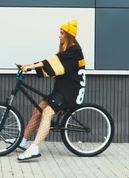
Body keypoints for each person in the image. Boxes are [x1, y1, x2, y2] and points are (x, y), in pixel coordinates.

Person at [9, 20, 86, 161]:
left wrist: (30, 66)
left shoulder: (74, 50)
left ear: (69, 36)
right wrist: (27, 65)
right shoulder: (67, 51)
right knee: (38, 110)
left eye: (62, 33)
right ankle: (22, 140)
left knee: (47, 112)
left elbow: (51, 62)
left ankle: (34, 148)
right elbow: (53, 65)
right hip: (61, 90)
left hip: (69, 92)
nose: (59, 36)